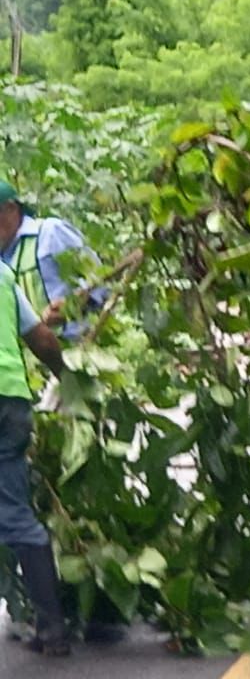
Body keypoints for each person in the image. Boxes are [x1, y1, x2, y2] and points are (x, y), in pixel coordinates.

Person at [0, 259, 70, 656]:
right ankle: (53, 629)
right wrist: (68, 378)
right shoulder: (3, 273)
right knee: (16, 513)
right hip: (10, 401)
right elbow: (40, 338)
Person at [0, 180, 106, 342]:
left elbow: (102, 280)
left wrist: (73, 305)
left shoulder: (50, 233)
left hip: (80, 346)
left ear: (11, 209)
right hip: (32, 359)